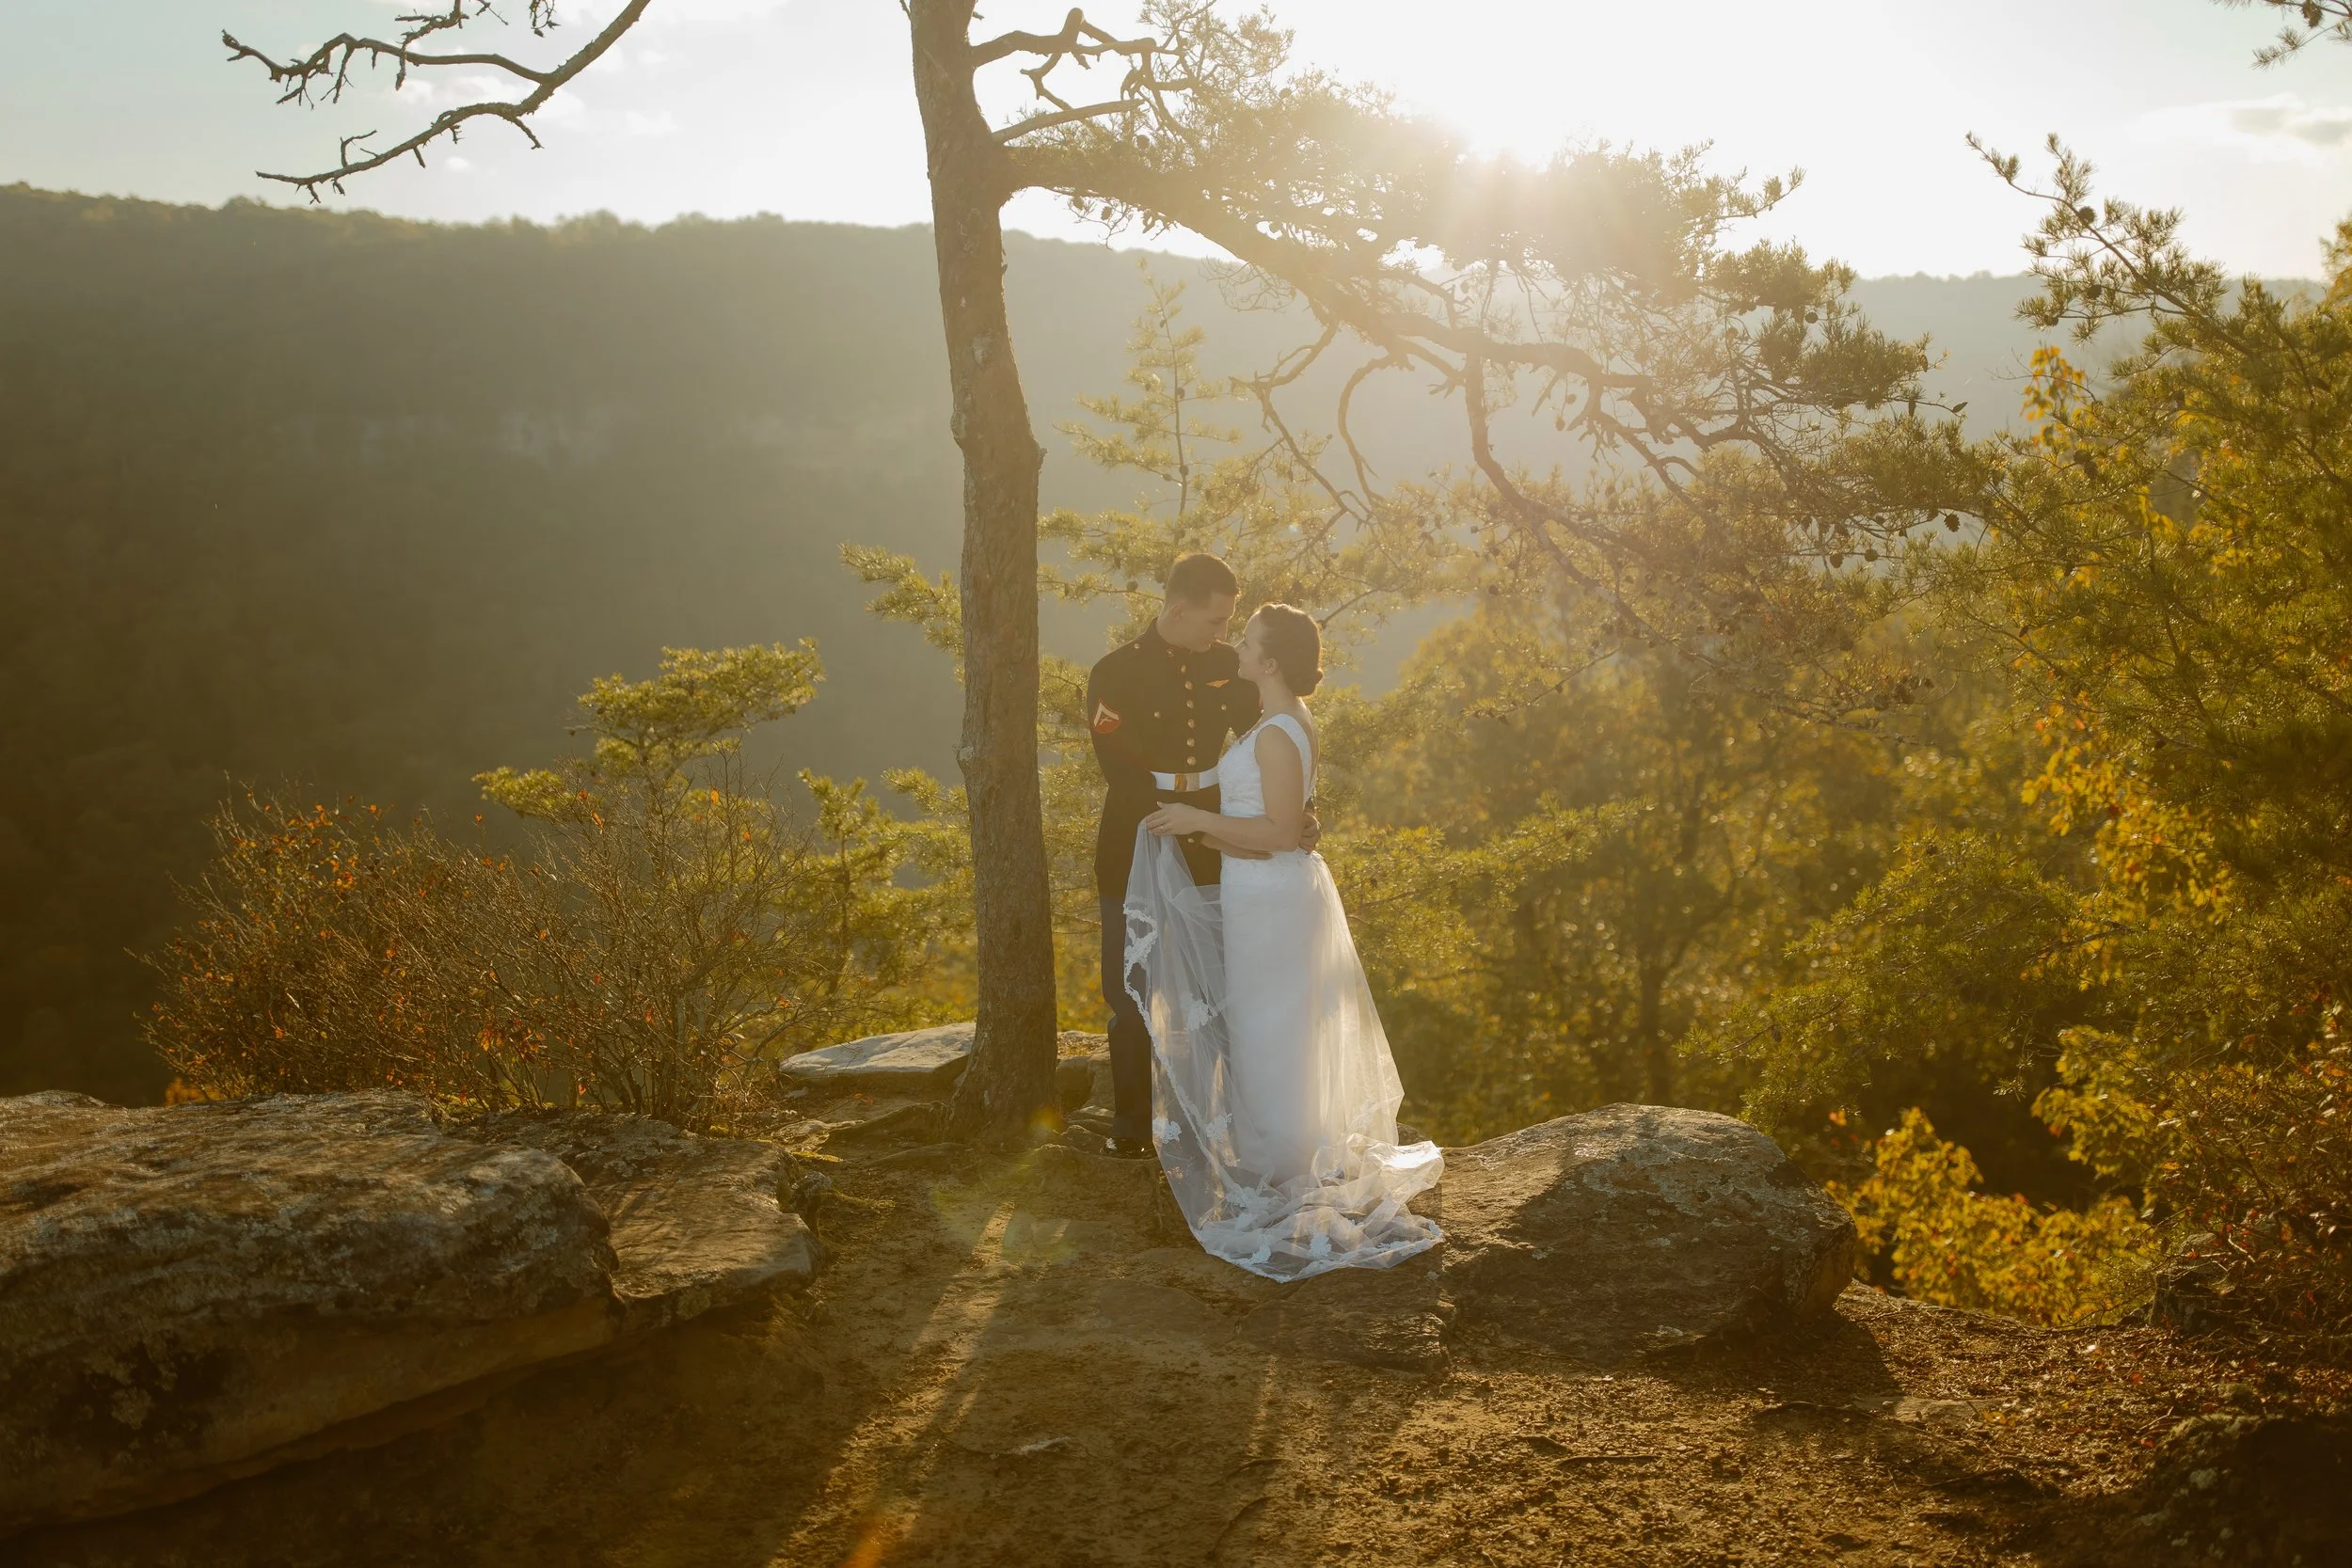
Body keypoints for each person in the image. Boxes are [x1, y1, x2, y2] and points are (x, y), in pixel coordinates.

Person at [1126, 603, 1443, 1280]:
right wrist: (1202, 831)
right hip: (1260, 893)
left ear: (1269, 661)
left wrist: (1195, 817)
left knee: (1271, 1027)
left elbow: (1275, 832)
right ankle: (1284, 1155)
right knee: (1272, 1026)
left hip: (1270, 898)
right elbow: (1276, 823)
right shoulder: (1284, 721)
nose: (1236, 645)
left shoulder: (1276, 733)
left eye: (1247, 641)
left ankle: (1280, 1168)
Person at [1084, 553, 1263, 1159]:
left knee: (1213, 982)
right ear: (1178, 610)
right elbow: (1120, 768)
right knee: (1131, 987)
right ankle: (1133, 1125)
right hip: (1135, 835)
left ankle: (1209, 1119)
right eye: (1214, 620)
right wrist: (1168, 821)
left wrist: (1280, 811)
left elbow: (1263, 740)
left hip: (1213, 840)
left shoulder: (1226, 666)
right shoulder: (1115, 672)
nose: (1222, 633)